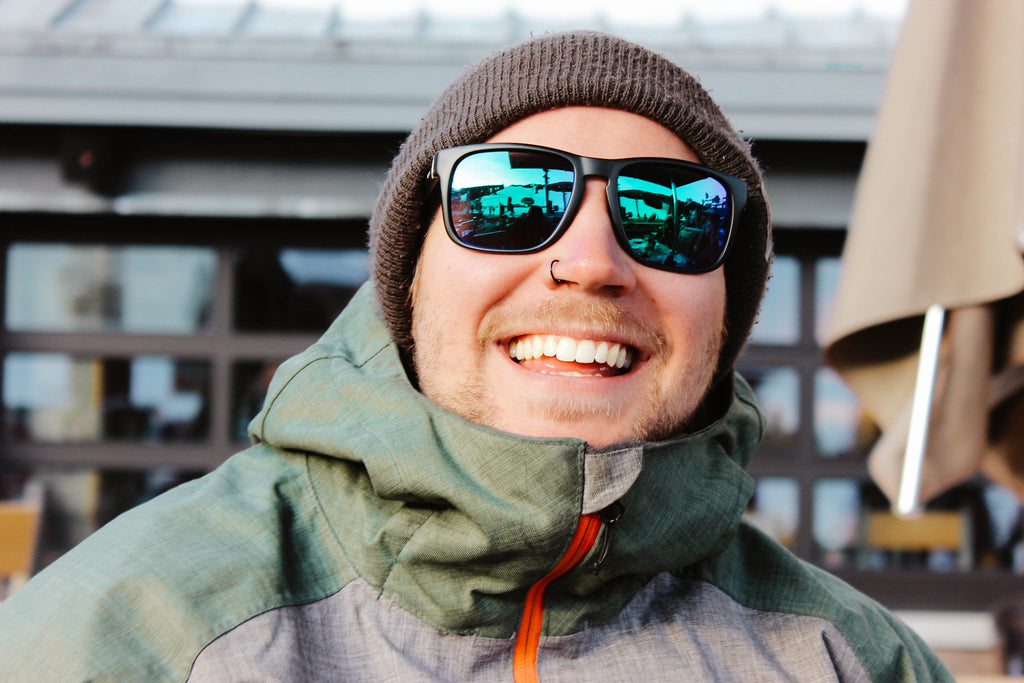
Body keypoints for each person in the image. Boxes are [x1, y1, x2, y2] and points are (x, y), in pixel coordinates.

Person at [0, 31, 952, 681]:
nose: (589, 262)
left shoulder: (853, 659)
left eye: (670, 214)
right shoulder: (131, 629)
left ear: (726, 307)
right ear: (407, 279)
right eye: (511, 198)